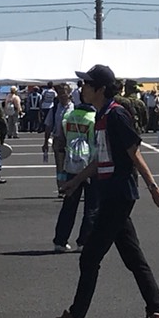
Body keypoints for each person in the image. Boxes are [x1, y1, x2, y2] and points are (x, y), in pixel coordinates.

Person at [36, 65, 159, 318]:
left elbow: (134, 153)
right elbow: (101, 158)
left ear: (100, 88)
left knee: (89, 258)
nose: (81, 88)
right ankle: (157, 315)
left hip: (118, 196)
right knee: (133, 258)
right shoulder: (101, 115)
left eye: (86, 84)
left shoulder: (116, 115)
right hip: (110, 194)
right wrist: (76, 181)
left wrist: (153, 187)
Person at [53, 95, 98, 252]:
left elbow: (60, 141)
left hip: (72, 163)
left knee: (69, 204)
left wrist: (60, 173)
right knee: (92, 206)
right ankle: (84, 241)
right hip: (90, 164)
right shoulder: (93, 118)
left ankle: (60, 240)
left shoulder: (69, 116)